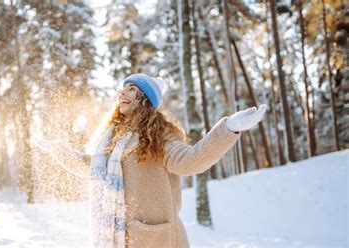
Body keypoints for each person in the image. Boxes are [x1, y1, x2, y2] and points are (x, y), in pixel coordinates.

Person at [34, 73, 267, 247]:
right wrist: (58, 150)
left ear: (145, 98)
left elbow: (190, 161)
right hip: (117, 238)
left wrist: (228, 129)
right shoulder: (114, 138)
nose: (122, 93)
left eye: (132, 89)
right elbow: (92, 167)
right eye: (123, 88)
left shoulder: (161, 135)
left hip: (156, 239)